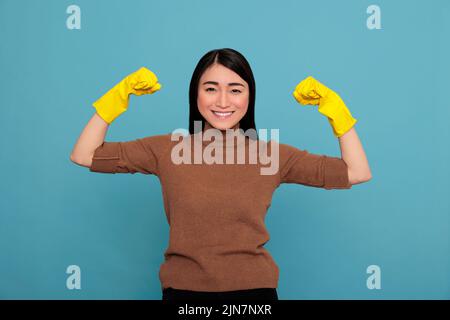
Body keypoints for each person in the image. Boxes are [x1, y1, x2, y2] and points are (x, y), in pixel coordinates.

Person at [70, 48, 372, 301]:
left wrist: (338, 113)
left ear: (249, 96)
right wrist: (115, 100)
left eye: (235, 89)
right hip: (183, 295)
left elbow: (357, 172)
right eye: (211, 88)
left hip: (254, 296)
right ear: (196, 95)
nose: (223, 101)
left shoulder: (272, 155)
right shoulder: (167, 149)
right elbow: (84, 154)